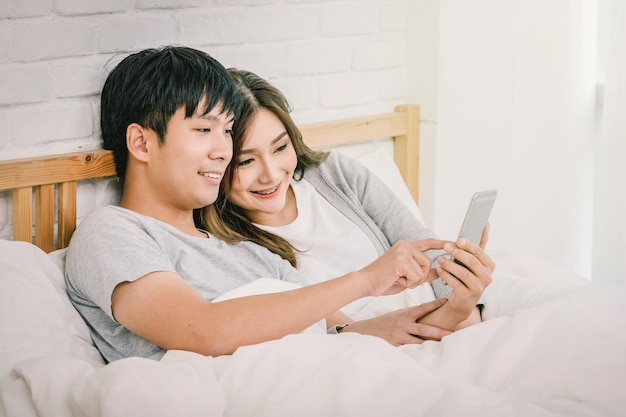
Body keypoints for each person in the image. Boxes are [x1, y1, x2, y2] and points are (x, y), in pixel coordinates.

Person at [64, 45, 453, 363]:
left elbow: (340, 332)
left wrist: (450, 305)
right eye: (203, 130)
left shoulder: (252, 252)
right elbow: (203, 332)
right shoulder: (112, 231)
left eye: (227, 131)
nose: (223, 150)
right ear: (141, 143)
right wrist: (365, 280)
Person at [200, 69, 495, 341]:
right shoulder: (228, 247)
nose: (271, 173)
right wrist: (458, 312)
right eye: (246, 160)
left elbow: (420, 243)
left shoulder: (335, 174)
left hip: (438, 320)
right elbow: (345, 334)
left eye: (280, 147)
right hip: (372, 347)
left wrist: (462, 293)